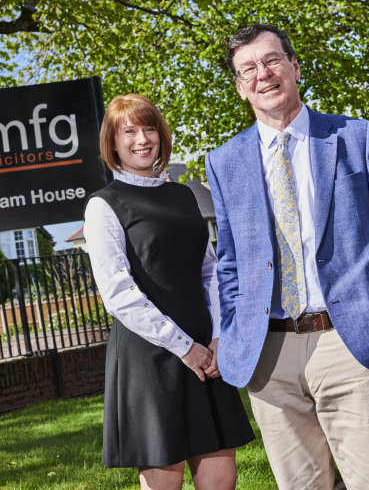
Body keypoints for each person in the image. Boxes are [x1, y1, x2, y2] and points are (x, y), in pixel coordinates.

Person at [204, 23, 369, 489]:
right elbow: (231, 262)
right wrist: (236, 329)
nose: (263, 74)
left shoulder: (354, 137)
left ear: (295, 67)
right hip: (270, 354)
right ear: (240, 87)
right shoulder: (223, 161)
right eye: (248, 69)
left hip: (349, 340)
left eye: (272, 60)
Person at [83, 94, 254, 490]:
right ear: (113, 143)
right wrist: (183, 347)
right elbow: (117, 292)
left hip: (206, 350)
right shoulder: (104, 206)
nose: (142, 139)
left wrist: (217, 336)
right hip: (151, 356)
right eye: (129, 131)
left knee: (222, 480)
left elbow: (210, 270)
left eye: (149, 129)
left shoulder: (183, 195)